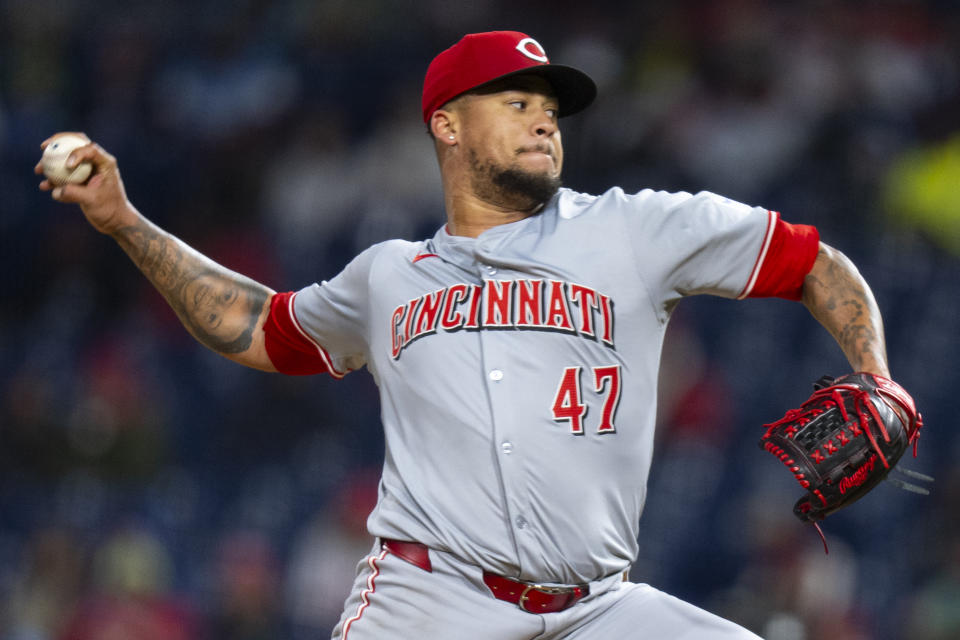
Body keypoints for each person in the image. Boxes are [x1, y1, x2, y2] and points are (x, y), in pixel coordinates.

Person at [37, 30, 896, 639]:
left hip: (597, 608)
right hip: (427, 604)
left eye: (551, 107)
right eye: (517, 101)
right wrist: (121, 220)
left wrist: (879, 376)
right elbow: (258, 326)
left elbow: (815, 263)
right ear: (446, 123)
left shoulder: (638, 228)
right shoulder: (387, 275)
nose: (543, 119)